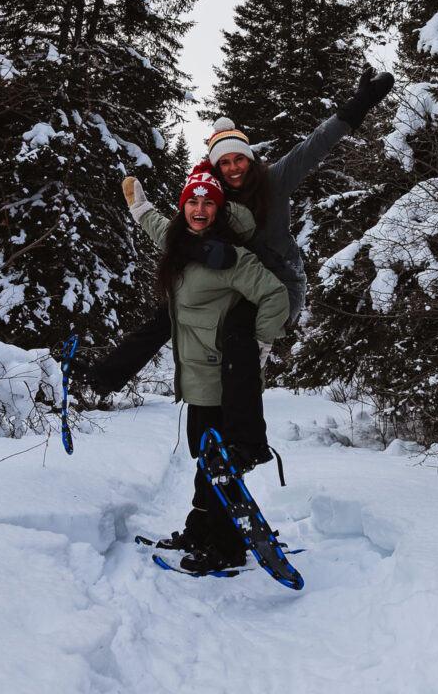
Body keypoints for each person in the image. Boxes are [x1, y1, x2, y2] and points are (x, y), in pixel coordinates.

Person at [77, 65, 394, 457]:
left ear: (249, 158)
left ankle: (244, 441)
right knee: (170, 314)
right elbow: (179, 232)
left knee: (238, 336)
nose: (233, 169)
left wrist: (360, 103)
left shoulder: (275, 179)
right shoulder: (215, 200)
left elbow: (317, 144)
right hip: (230, 282)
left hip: (276, 287)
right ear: (216, 166)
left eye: (238, 160)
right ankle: (100, 380)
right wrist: (142, 211)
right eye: (224, 163)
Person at [122, 161, 289, 573]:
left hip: (223, 379)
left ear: (219, 210)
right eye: (192, 202)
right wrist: (140, 209)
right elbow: (161, 228)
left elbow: (275, 296)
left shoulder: (230, 257)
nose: (200, 209)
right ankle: (200, 529)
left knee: (221, 468)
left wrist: (260, 345)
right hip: (196, 379)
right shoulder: (183, 242)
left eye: (208, 203)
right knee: (206, 462)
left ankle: (227, 547)